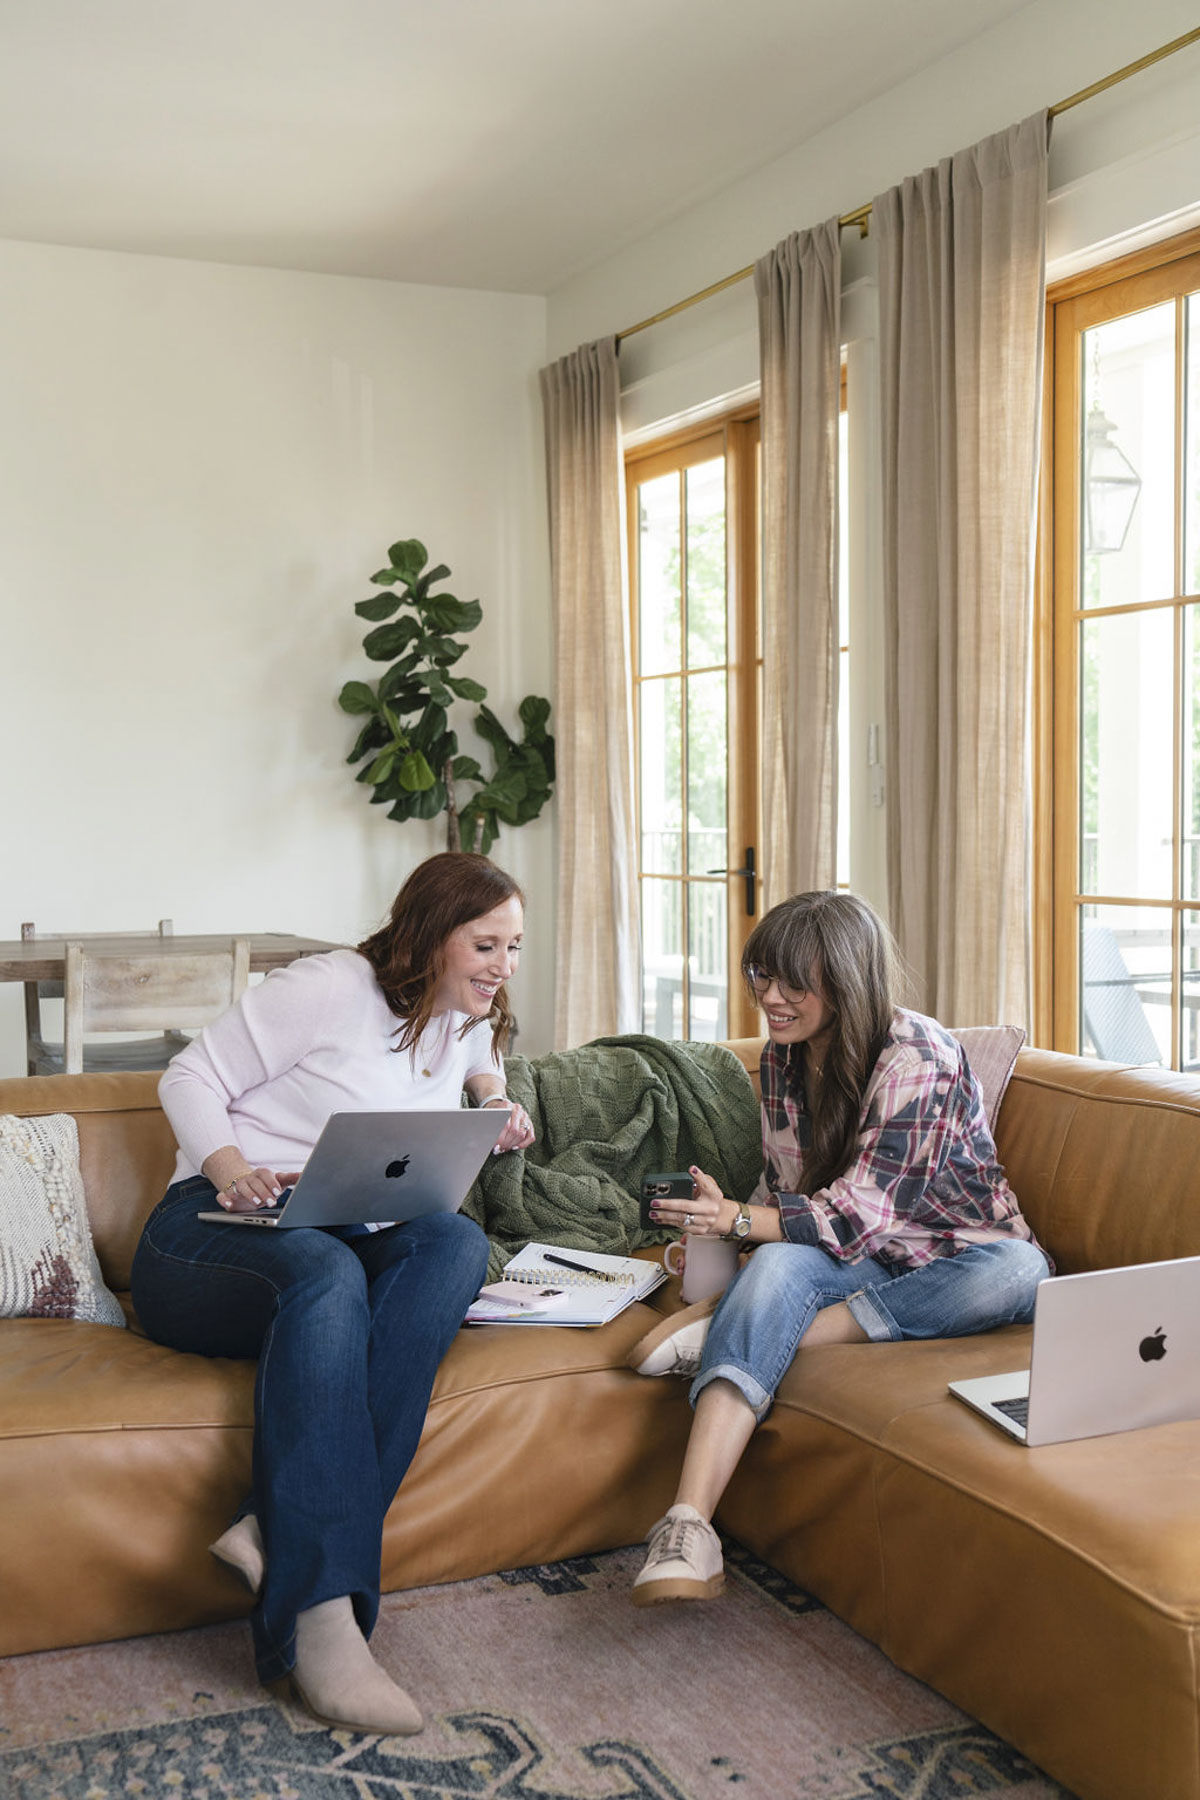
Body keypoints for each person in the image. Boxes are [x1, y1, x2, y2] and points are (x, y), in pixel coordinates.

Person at [130, 852, 534, 1735]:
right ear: (431, 936)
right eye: (486, 945)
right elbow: (187, 1075)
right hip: (208, 1233)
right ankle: (321, 1625)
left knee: (455, 1243)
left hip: (338, 1223)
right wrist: (230, 1168)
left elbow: (478, 1056)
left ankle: (269, 1529)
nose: (504, 966)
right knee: (323, 1270)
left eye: (512, 947)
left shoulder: (460, 1008)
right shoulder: (326, 986)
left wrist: (494, 1099)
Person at [625, 889, 1049, 1606]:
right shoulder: (785, 1059)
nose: (771, 998)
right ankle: (689, 1526)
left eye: (794, 982)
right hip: (854, 1254)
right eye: (762, 977)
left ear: (848, 981)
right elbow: (791, 1193)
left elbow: (855, 1217)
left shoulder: (920, 1057)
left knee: (1024, 1270)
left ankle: (756, 1332)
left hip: (953, 1254)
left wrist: (736, 1221)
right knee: (785, 1259)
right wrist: (721, 1229)